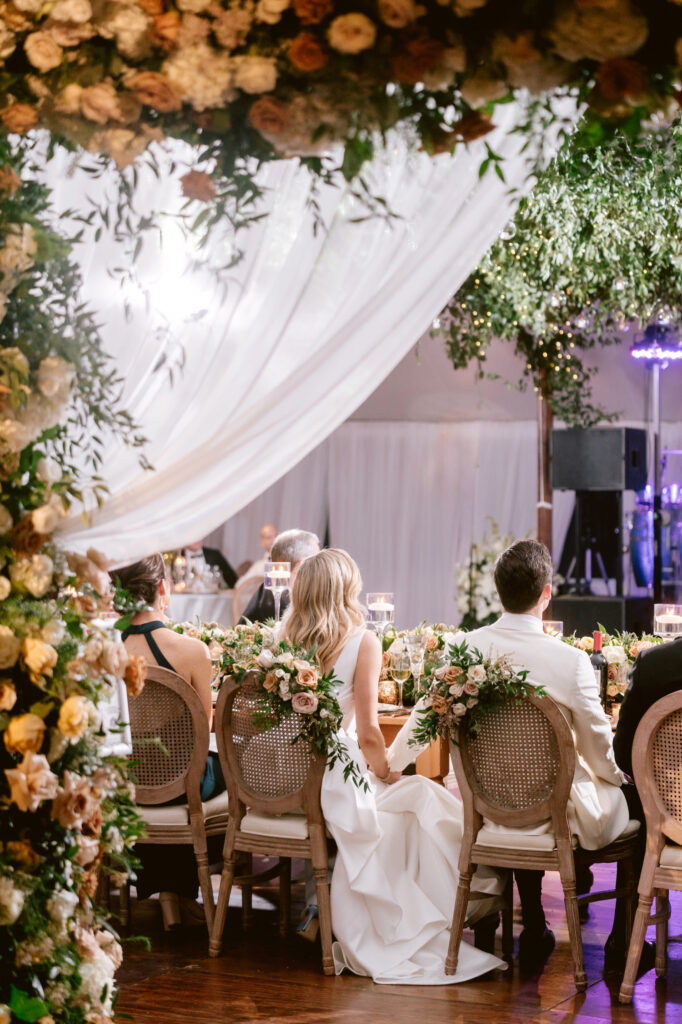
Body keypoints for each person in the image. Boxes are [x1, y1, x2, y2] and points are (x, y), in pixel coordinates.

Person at [282, 548, 504, 984]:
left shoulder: (281, 640)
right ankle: (444, 912)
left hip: (284, 772)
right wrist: (384, 770)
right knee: (421, 795)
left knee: (411, 799)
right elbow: (367, 734)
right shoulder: (362, 641)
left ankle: (319, 910)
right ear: (344, 590)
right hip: (332, 773)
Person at [452, 539, 631, 969]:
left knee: (522, 785)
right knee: (597, 792)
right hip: (548, 806)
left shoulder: (466, 650)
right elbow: (596, 747)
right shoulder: (570, 662)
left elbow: (428, 719)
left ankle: (533, 920)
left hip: (490, 804)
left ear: (498, 591)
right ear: (546, 593)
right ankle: (616, 941)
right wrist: (617, 776)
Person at [112, 554, 225, 931]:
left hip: (125, 782)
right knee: (221, 773)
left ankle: (169, 897)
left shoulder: (108, 649)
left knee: (156, 770)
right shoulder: (192, 651)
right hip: (180, 785)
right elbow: (204, 730)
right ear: (162, 588)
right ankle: (181, 895)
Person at [241, 529, 320, 624]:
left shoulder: (264, 591)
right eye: (317, 559)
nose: (320, 565)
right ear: (301, 564)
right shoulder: (305, 597)